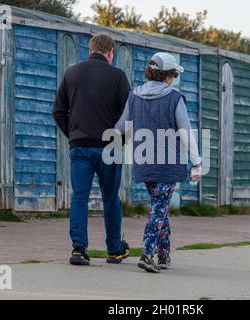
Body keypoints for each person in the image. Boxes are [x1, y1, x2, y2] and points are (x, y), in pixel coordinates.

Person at [115, 52, 202, 273]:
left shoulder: (134, 96)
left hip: (143, 162)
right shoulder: (174, 98)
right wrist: (197, 162)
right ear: (167, 76)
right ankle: (147, 253)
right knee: (159, 208)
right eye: (173, 75)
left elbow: (120, 127)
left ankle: (164, 255)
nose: (173, 79)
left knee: (159, 206)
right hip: (168, 164)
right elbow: (185, 132)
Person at [53, 33, 131, 266]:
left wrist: (74, 135)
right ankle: (114, 250)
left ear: (90, 50)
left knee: (79, 197)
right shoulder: (118, 76)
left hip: (80, 147)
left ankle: (78, 249)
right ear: (110, 53)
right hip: (109, 147)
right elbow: (129, 117)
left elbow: (58, 112)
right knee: (110, 199)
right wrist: (120, 141)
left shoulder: (71, 73)